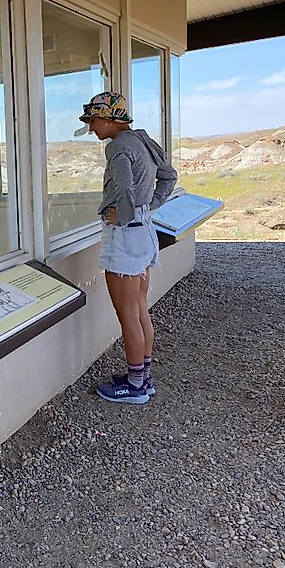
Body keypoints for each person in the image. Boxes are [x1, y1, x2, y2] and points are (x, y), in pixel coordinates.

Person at [76, 92, 177, 405]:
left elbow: (124, 189)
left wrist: (124, 212)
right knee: (139, 309)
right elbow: (169, 176)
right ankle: (142, 378)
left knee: (127, 314)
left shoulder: (117, 147)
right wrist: (149, 207)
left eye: (93, 121)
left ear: (108, 119)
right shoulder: (142, 140)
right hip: (144, 233)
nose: (92, 129)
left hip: (125, 236)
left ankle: (134, 388)